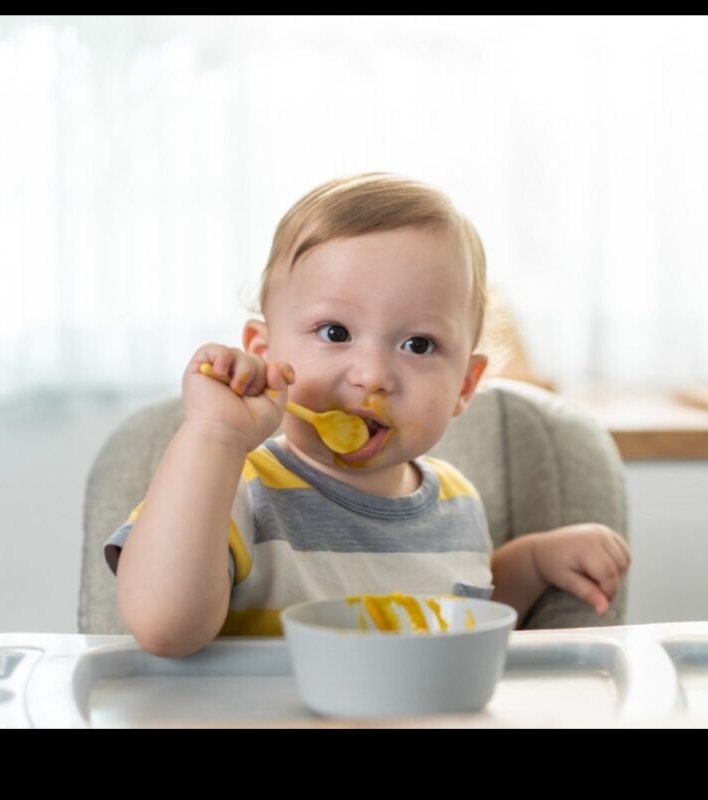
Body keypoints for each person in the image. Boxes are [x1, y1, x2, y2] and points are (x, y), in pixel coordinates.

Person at [104, 173, 631, 657]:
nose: (373, 375)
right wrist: (213, 436)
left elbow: (455, 618)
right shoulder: (229, 488)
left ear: (464, 386)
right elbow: (164, 626)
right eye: (335, 333)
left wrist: (533, 564)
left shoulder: (457, 503)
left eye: (418, 344)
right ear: (264, 353)